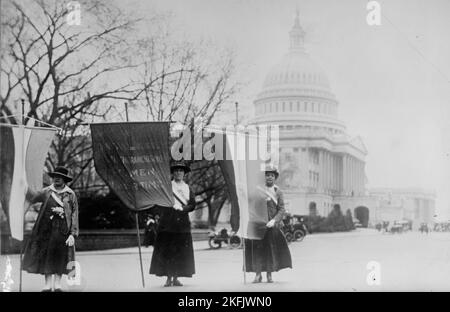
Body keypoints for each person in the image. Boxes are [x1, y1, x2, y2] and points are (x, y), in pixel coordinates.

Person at [22, 166, 78, 292]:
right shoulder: (46, 191)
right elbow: (33, 197)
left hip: (63, 231)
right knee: (46, 256)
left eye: (60, 177)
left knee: (60, 256)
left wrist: (72, 234)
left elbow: (74, 214)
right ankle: (47, 285)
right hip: (45, 230)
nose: (57, 179)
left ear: (64, 179)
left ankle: (57, 284)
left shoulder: (70, 195)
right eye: (55, 177)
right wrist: (23, 185)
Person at [149, 161, 196, 287]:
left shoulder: (188, 188)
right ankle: (168, 278)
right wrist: (170, 206)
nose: (178, 173)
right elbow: (159, 203)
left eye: (181, 171)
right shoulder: (167, 187)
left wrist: (183, 209)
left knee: (180, 251)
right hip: (168, 223)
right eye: (176, 171)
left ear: (184, 174)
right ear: (173, 173)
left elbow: (192, 204)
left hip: (183, 224)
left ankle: (176, 277)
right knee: (168, 251)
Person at [244, 164, 292, 283]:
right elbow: (249, 201)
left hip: (272, 226)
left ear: (275, 177)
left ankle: (269, 275)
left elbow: (281, 209)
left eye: (271, 175)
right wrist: (241, 190)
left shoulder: (278, 192)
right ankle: (258, 274)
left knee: (270, 250)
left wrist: (274, 220)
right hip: (258, 225)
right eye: (267, 175)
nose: (269, 177)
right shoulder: (257, 189)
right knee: (257, 250)